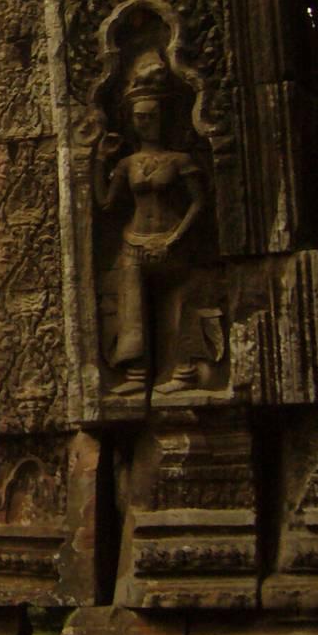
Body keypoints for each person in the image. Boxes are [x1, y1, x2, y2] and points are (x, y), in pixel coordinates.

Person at [93, 51, 205, 396]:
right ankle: (137, 373)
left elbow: (200, 201)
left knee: (179, 304)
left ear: (163, 117)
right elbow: (106, 203)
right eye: (139, 118)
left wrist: (174, 239)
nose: (145, 123)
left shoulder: (180, 160)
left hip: (172, 239)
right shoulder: (128, 164)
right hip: (135, 240)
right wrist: (99, 161)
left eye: (152, 117)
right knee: (131, 308)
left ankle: (184, 370)